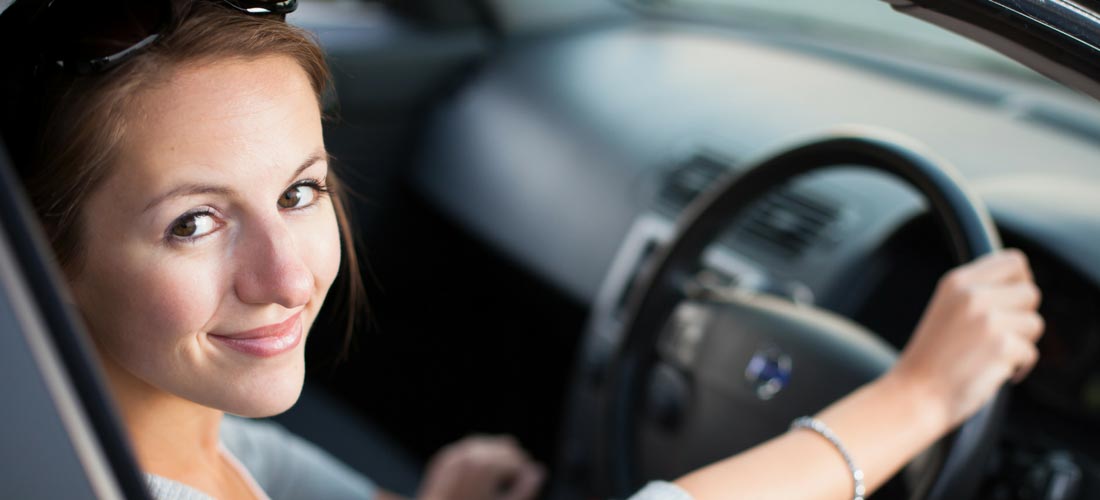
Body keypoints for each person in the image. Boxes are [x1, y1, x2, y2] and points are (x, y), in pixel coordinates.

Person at [0, 1, 1043, 499]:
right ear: (46, 258)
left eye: (300, 190)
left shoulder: (155, 427)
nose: (286, 275)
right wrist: (912, 396)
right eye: (195, 221)